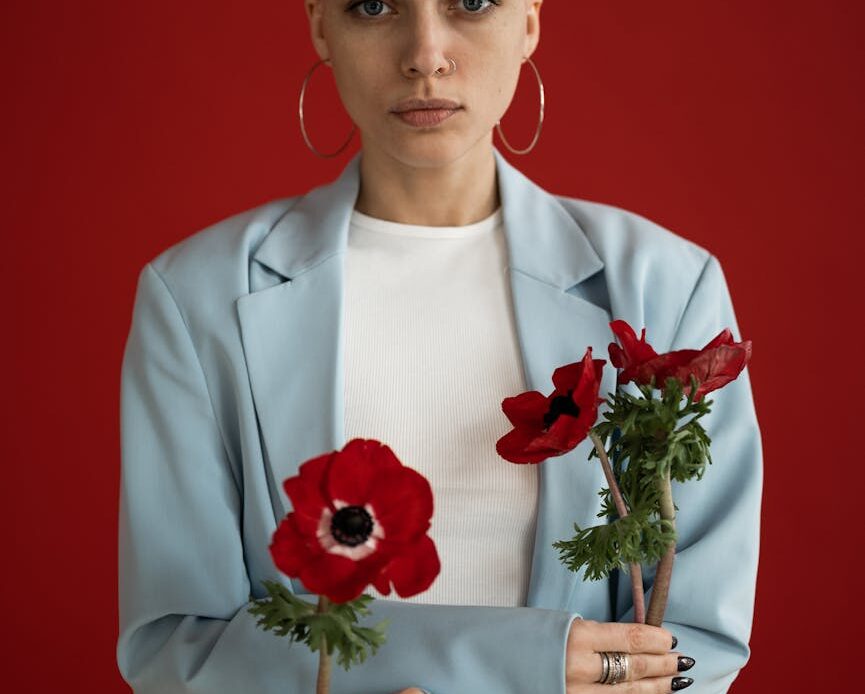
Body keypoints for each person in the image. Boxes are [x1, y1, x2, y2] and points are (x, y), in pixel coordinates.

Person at [116, 1, 762, 692]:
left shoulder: (665, 286)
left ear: (531, 20)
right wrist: (517, 660)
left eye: (473, 3)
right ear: (318, 25)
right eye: (372, 6)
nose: (425, 54)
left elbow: (698, 643)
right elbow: (179, 652)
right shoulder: (196, 298)